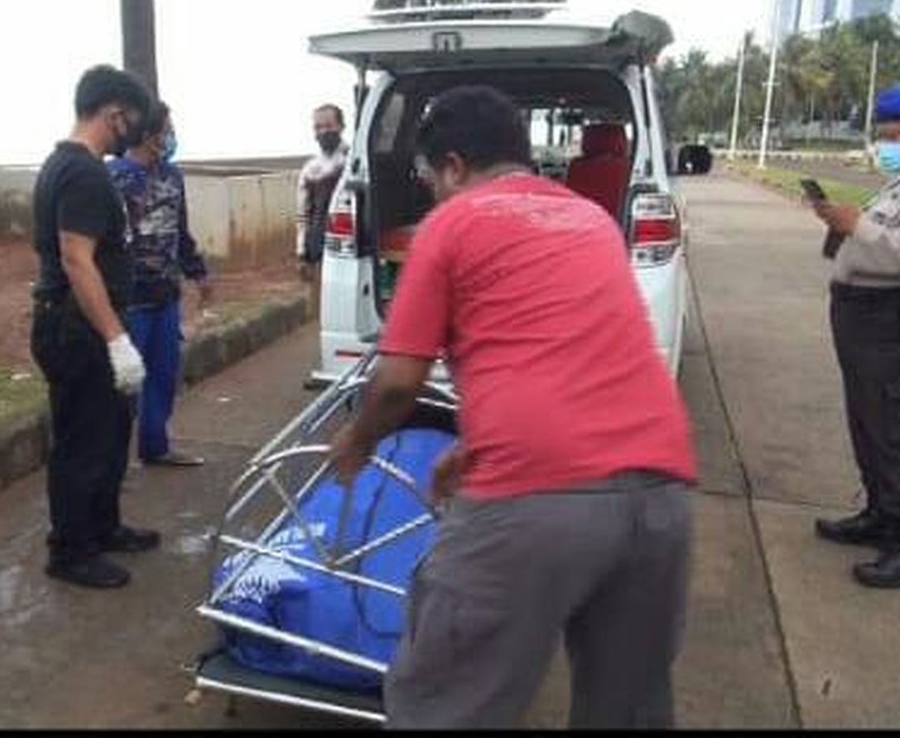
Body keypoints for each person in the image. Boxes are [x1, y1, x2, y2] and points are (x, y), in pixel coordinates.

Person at [329, 86, 696, 729]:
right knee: (627, 710)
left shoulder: (452, 223)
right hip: (661, 499)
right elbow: (574, 358)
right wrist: (472, 447)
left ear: (452, 166)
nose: (432, 193)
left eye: (428, 178)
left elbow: (396, 383)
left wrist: (357, 441)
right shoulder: (590, 221)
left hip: (532, 503)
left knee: (444, 701)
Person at [31, 64, 162, 590]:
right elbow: (76, 259)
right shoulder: (82, 173)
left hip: (85, 323)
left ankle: (102, 526)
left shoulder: (73, 165)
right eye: (132, 120)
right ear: (114, 113)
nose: (135, 131)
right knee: (82, 441)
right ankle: (70, 549)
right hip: (76, 327)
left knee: (109, 432)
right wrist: (116, 339)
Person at [810, 84, 900, 589]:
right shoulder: (892, 187)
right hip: (859, 313)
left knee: (891, 427)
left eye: (893, 133)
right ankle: (878, 514)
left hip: (886, 316)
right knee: (866, 420)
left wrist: (859, 227)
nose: (886, 143)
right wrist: (840, 224)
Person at [108, 101, 212, 468]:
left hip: (166, 296)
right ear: (150, 133)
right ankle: (112, 462)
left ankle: (156, 446)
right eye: (167, 129)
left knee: (164, 376)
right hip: (130, 301)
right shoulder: (114, 177)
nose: (171, 136)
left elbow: (179, 232)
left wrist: (198, 273)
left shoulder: (172, 177)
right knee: (123, 386)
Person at [295, 103, 347, 281]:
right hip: (319, 254)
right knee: (321, 306)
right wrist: (302, 254)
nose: (323, 132)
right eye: (318, 127)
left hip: (353, 255)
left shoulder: (356, 162)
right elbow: (303, 216)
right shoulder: (310, 169)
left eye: (328, 126)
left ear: (341, 126)